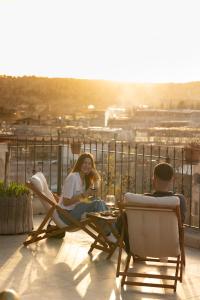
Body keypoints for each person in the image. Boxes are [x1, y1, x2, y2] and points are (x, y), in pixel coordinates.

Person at [115, 162, 187, 253]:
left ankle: (132, 252)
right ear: (172, 180)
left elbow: (121, 222)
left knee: (123, 219)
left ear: (154, 179)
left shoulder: (142, 200)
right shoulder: (180, 200)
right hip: (169, 247)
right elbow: (181, 222)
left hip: (142, 246)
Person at [58, 152, 116, 241]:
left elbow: (95, 191)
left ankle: (110, 231)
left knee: (98, 201)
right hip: (67, 215)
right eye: (84, 163)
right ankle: (109, 233)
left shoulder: (84, 178)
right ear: (79, 163)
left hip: (75, 210)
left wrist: (96, 178)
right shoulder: (73, 177)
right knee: (96, 203)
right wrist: (84, 195)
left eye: (89, 164)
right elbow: (66, 202)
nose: (87, 166)